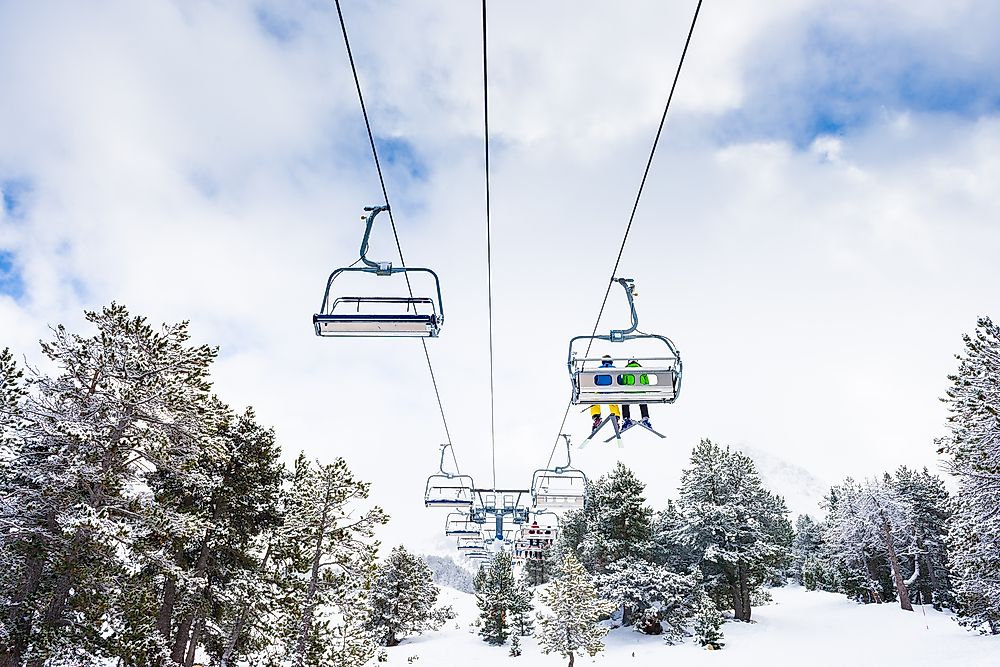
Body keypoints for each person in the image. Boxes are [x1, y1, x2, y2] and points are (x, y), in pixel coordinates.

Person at [589, 355, 621, 433]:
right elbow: (619, 381)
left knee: (595, 400)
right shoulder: (615, 369)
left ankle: (596, 417)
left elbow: (595, 381)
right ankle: (616, 417)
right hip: (611, 392)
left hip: (600, 391)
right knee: (613, 402)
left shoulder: (599, 369)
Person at [621, 358, 651, 429]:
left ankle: (626, 418)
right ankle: (645, 417)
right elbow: (647, 382)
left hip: (629, 392)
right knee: (643, 401)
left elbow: (624, 382)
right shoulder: (641, 369)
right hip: (640, 391)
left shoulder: (626, 369)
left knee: (625, 402)